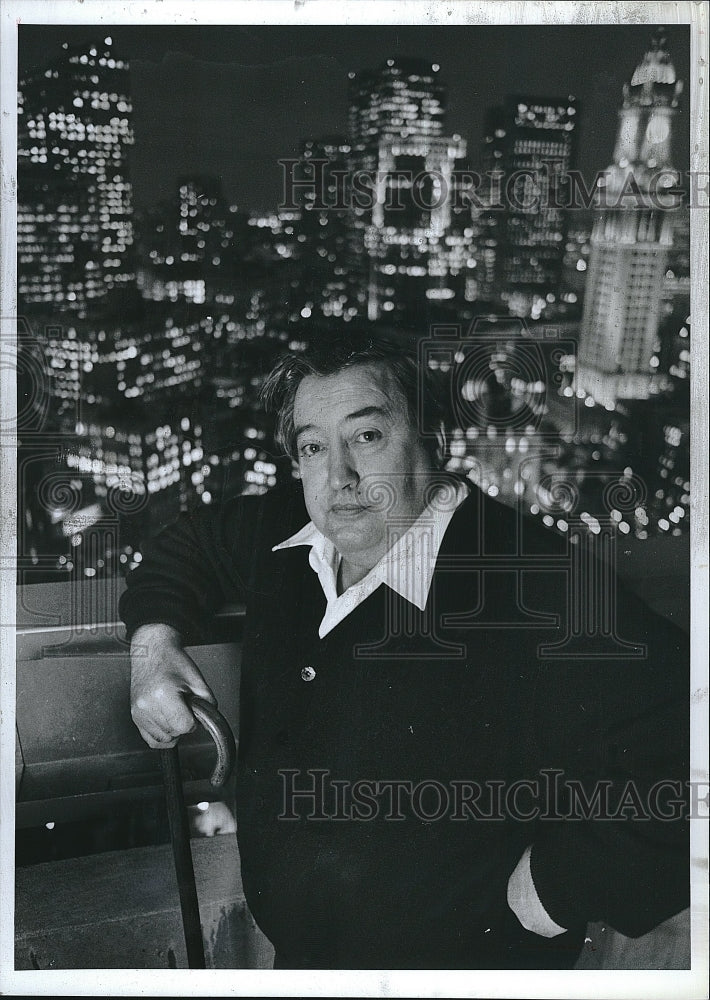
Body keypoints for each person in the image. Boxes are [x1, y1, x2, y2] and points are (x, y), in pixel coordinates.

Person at [120, 329, 689, 970]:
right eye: (313, 447)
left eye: (367, 436)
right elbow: (187, 546)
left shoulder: (536, 584)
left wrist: (556, 892)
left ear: (433, 441)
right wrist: (154, 647)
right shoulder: (288, 531)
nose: (341, 476)